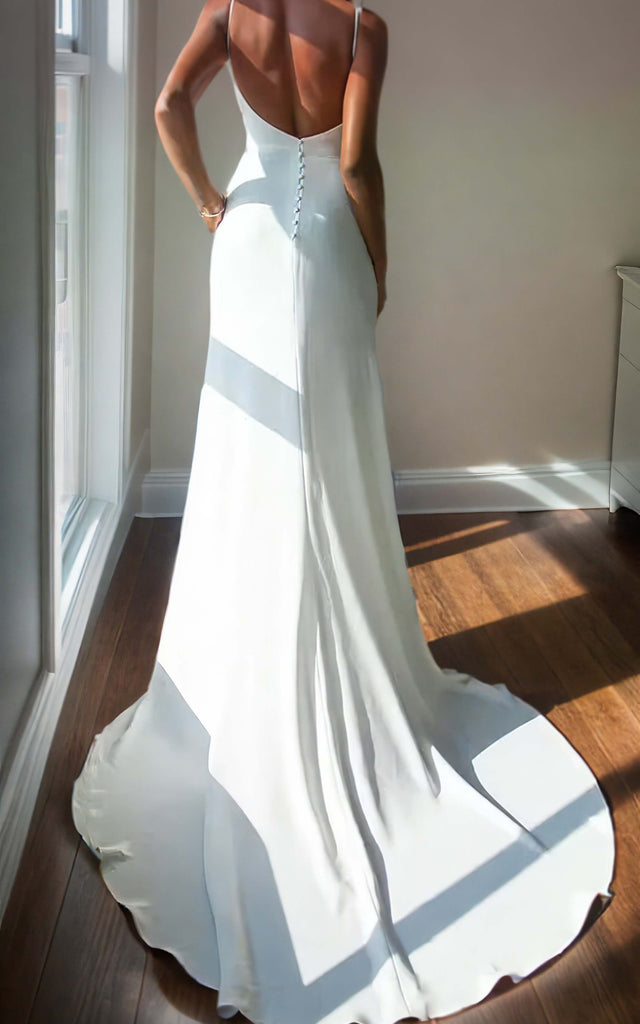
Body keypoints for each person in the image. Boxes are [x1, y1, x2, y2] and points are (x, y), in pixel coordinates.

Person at [71, 3, 616, 1023]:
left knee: (251, 455)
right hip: (326, 246)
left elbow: (166, 106)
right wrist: (380, 260)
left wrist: (210, 201)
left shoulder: (227, 11)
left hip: (245, 236)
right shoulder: (363, 25)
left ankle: (242, 672)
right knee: (330, 452)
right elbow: (355, 164)